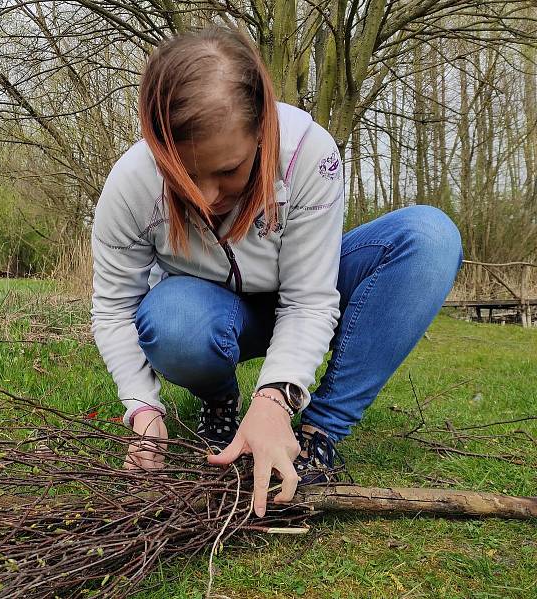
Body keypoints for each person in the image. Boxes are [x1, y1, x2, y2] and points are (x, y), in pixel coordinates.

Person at [90, 27, 463, 517]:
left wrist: (275, 398)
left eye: (228, 170)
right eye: (183, 174)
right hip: (213, 314)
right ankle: (220, 401)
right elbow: (114, 309)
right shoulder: (131, 185)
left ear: (263, 129)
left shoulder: (310, 154)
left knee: (429, 237)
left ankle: (319, 431)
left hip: (305, 294)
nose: (204, 197)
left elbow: (310, 298)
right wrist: (143, 408)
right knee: (172, 318)